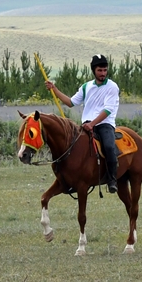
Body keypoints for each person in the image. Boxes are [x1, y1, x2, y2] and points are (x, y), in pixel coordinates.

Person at [46, 54, 120, 193]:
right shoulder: (86, 86)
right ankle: (72, 178)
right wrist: (54, 89)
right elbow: (70, 102)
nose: (103, 73)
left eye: (105, 70)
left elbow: (108, 110)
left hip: (104, 124)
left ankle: (112, 179)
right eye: (100, 70)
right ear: (93, 70)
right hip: (85, 125)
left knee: (109, 147)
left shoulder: (112, 87)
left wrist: (92, 124)